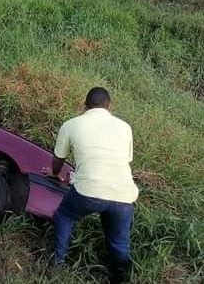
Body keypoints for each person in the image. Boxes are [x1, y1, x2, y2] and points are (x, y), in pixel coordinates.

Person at [48, 87, 138, 283]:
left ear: (84, 106)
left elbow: (58, 159)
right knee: (118, 241)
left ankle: (57, 264)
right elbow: (126, 162)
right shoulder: (125, 127)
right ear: (109, 105)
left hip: (87, 191)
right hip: (123, 194)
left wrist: (55, 174)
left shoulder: (71, 125)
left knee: (64, 215)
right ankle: (120, 276)